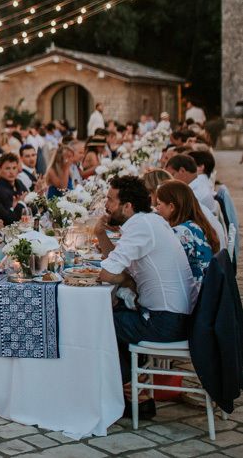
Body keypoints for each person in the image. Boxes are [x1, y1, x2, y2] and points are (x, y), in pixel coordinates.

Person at [96, 176, 194, 420]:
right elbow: (116, 265)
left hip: (165, 322)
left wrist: (127, 281)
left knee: (100, 323)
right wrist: (100, 233)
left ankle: (129, 397)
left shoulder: (141, 227)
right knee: (114, 314)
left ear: (127, 206)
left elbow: (107, 273)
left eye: (110, 200)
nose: (105, 205)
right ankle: (138, 393)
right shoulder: (150, 221)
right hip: (175, 316)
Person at [155, 180, 218, 299]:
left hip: (192, 300)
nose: (156, 209)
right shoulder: (195, 226)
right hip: (205, 294)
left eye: (159, 204)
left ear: (172, 207)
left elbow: (160, 265)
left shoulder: (182, 232)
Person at [0, 153, 27, 225]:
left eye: (14, 168)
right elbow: (9, 220)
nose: (11, 172)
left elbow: (32, 208)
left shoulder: (19, 182)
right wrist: (21, 203)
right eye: (7, 168)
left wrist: (38, 195)